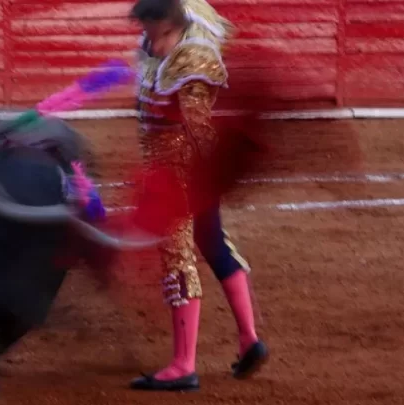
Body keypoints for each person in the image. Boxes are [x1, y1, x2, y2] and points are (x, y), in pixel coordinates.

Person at [127, 0, 269, 391]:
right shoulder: (163, 38)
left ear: (165, 23)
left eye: (148, 26)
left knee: (178, 257)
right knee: (212, 242)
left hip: (182, 173)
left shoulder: (191, 61)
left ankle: (183, 365)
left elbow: (199, 131)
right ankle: (249, 339)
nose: (144, 35)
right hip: (177, 168)